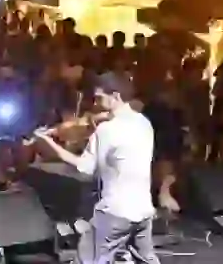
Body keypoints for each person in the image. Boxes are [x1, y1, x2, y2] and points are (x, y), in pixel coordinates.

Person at [34, 71, 159, 264]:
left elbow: (84, 168)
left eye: (100, 97)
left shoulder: (107, 130)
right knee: (146, 260)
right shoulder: (144, 123)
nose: (97, 103)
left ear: (115, 96)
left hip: (115, 212)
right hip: (144, 210)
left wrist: (49, 144)